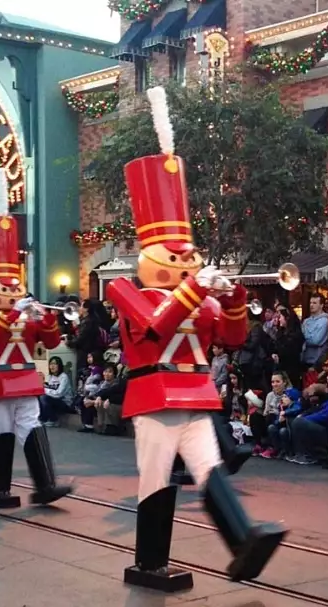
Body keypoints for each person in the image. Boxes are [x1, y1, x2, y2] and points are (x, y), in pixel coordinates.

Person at [105, 86, 285, 593]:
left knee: (210, 469)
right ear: (152, 254)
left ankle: (243, 541)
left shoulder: (195, 293)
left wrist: (231, 298)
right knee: (156, 478)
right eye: (177, 255)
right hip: (154, 395)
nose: (187, 263)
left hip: (194, 392)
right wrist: (195, 288)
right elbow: (157, 326)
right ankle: (149, 562)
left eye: (191, 255)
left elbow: (229, 337)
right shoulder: (126, 289)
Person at [0, 210, 72, 508]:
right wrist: (13, 313)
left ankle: (44, 484)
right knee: (4, 431)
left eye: (14, 286)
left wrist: (45, 319)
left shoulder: (21, 315)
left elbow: (52, 342)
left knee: (32, 425)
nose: (10, 291)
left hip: (26, 379)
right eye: (4, 288)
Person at [39, 356, 74, 427]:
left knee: (44, 397)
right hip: (53, 402)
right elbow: (49, 389)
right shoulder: (50, 377)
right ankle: (42, 419)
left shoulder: (64, 377)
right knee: (39, 396)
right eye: (50, 364)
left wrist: (44, 390)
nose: (52, 366)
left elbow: (59, 394)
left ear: (59, 365)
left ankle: (53, 419)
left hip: (65, 403)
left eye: (54, 364)